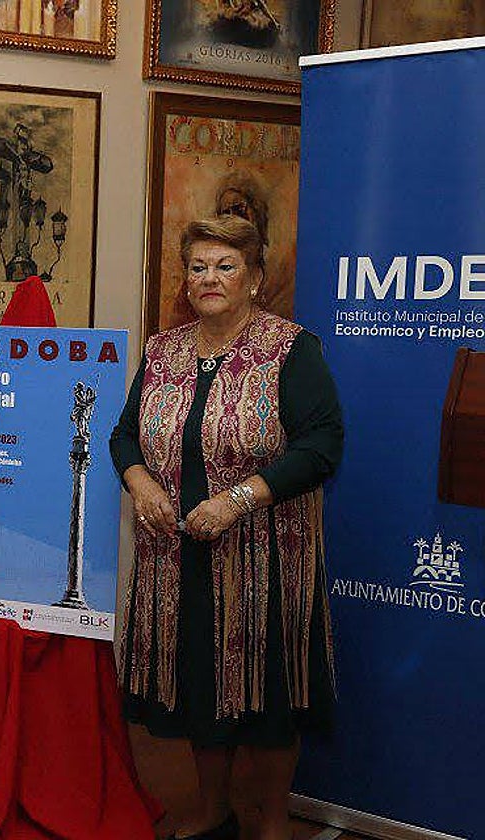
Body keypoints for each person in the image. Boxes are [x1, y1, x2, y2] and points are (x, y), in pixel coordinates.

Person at [110, 216, 342, 840]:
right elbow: (123, 435)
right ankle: (214, 813)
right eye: (197, 267)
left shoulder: (292, 350)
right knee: (198, 694)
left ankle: (269, 823)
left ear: (256, 279)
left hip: (263, 560)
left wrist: (237, 500)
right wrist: (141, 483)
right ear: (184, 280)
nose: (208, 278)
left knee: (267, 701)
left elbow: (323, 445)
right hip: (176, 560)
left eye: (225, 266)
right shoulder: (162, 351)